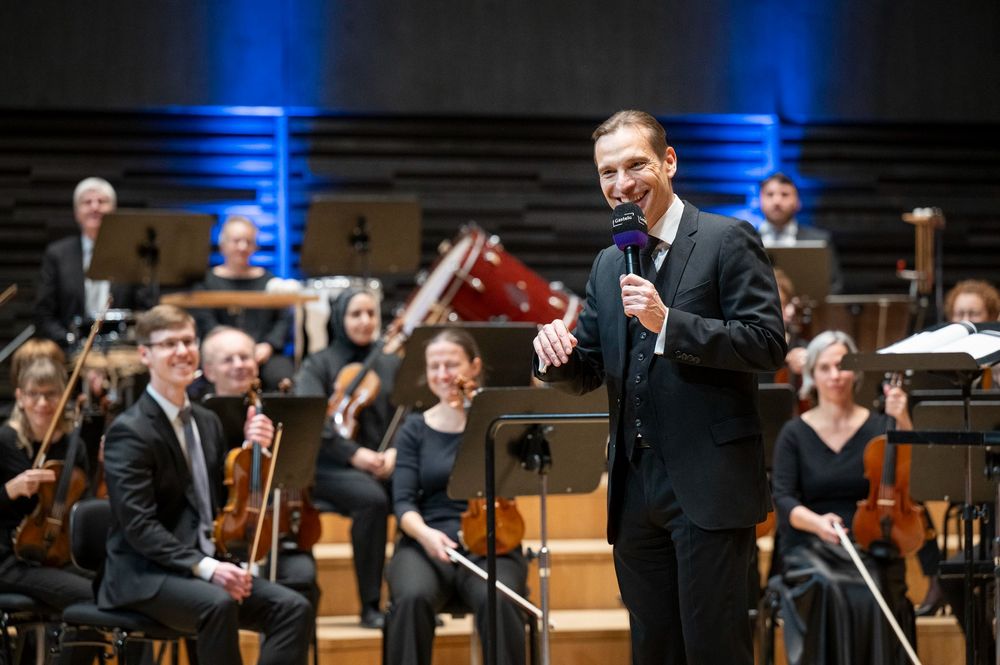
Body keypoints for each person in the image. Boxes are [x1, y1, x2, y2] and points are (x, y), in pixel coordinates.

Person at [532, 109, 786, 664]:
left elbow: (767, 343)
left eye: (635, 165)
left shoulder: (726, 238)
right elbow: (593, 368)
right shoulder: (607, 263)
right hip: (635, 491)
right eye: (607, 173)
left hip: (710, 484)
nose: (621, 185)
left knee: (714, 650)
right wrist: (554, 359)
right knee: (653, 650)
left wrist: (668, 322)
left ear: (668, 162)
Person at [98, 305, 313, 664]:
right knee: (218, 605)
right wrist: (208, 567)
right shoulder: (129, 431)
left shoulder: (206, 420)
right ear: (145, 355)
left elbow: (218, 498)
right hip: (142, 575)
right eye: (169, 344)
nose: (182, 351)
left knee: (293, 608)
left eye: (187, 341)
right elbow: (139, 528)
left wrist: (250, 452)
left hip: (198, 568)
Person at [770, 330, 916, 664]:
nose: (835, 375)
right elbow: (784, 497)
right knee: (827, 586)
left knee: (876, 583)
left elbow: (906, 472)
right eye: (825, 367)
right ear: (811, 375)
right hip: (810, 546)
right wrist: (818, 524)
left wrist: (902, 418)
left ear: (856, 372)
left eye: (842, 365)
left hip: (870, 543)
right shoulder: (794, 433)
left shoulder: (881, 427)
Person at [385, 328, 528, 665]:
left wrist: (485, 420)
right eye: (434, 366)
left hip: (492, 540)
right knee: (411, 597)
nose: (442, 374)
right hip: (427, 540)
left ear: (474, 366)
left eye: (451, 364)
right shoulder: (414, 429)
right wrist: (425, 535)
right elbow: (403, 501)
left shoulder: (497, 422)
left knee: (500, 598)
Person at [294, 288, 399, 628]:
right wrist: (354, 455)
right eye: (356, 314)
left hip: (384, 461)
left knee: (418, 489)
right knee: (372, 500)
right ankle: (370, 604)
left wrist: (396, 451)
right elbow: (311, 418)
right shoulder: (318, 362)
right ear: (340, 318)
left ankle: (409, 599)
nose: (366, 321)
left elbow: (409, 412)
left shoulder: (390, 360)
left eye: (371, 313)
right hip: (330, 465)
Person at [199, 325, 320, 610]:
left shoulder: (281, 414)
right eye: (228, 359)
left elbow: (297, 476)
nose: (240, 365)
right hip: (220, 536)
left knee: (303, 584)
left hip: (274, 532)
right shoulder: (198, 418)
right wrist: (244, 449)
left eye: (246, 357)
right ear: (208, 371)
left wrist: (267, 450)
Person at [0, 356, 101, 665]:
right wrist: (10, 489)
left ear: (64, 397)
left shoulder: (73, 445)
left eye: (51, 394)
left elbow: (82, 509)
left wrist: (105, 470)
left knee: (116, 589)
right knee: (94, 598)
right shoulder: (4, 442)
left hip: (56, 555)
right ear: (20, 397)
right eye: (34, 394)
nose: (42, 403)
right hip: (10, 559)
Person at [35, 177, 148, 348]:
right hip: (69, 352)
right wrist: (70, 341)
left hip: (122, 352)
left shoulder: (133, 254)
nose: (95, 207)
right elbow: (44, 314)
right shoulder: (57, 254)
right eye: (87, 202)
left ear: (114, 210)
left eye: (102, 201)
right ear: (76, 213)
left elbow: (146, 309)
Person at [192, 215, 295, 390]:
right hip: (222, 354)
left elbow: (283, 319)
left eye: (248, 241)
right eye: (236, 241)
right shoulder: (206, 283)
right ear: (222, 245)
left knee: (283, 378)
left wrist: (269, 345)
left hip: (265, 354)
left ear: (255, 246)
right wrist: (235, 352)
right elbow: (206, 323)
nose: (242, 247)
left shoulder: (270, 282)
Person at [757, 172, 844, 294]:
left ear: (798, 202)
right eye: (770, 194)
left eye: (785, 194)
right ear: (759, 200)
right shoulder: (746, 241)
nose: (777, 201)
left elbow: (834, 287)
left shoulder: (820, 241)